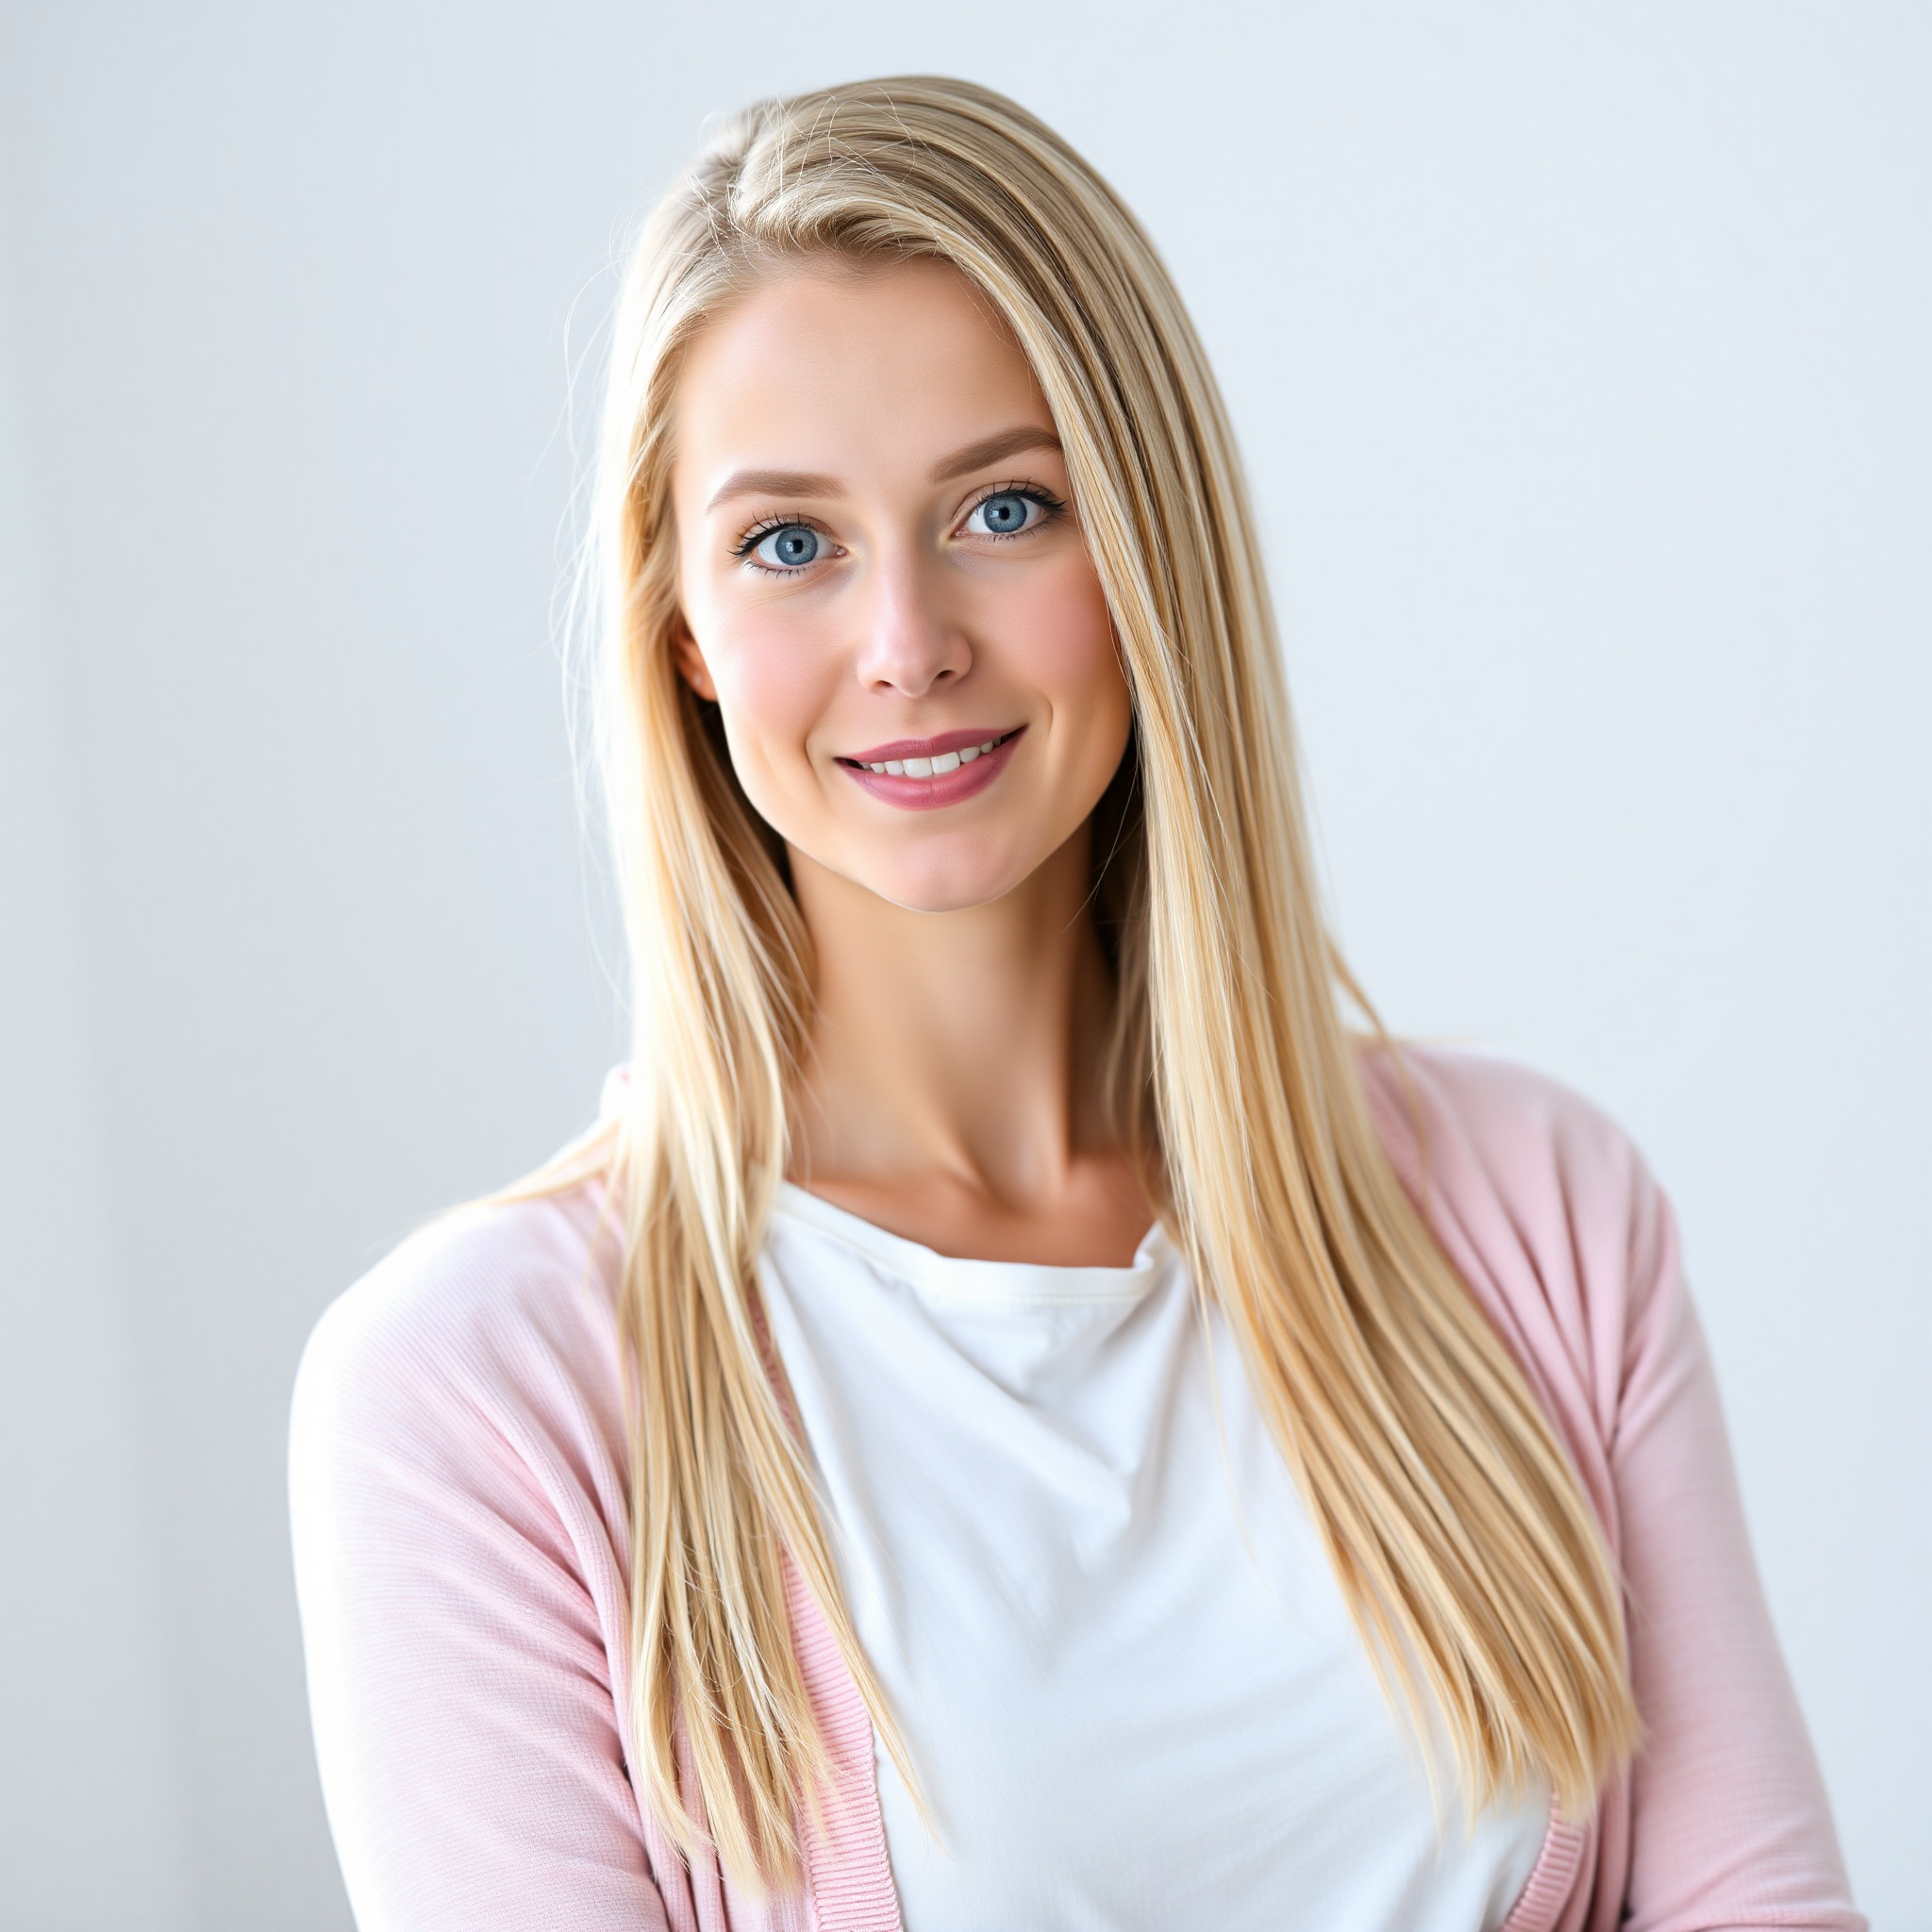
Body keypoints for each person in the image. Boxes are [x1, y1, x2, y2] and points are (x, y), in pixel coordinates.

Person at [289, 76, 1860, 1932]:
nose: (906, 643)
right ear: (686, 629)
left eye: (1006, 507)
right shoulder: (477, 1393)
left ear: (1147, 549)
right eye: (790, 542)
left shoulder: (1538, 1212)